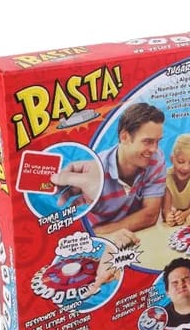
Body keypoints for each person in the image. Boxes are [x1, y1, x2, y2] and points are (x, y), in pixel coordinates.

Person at [51, 103, 166, 245]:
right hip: (99, 245)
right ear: (124, 137)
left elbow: (150, 215)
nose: (154, 149)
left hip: (137, 238)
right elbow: (68, 232)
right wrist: (100, 235)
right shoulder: (95, 171)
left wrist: (102, 231)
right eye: (147, 141)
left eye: (157, 141)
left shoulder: (156, 159)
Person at [162, 133, 190, 226]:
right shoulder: (166, 177)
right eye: (180, 162)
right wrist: (169, 217)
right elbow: (166, 209)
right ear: (172, 159)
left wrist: (184, 215)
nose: (186, 168)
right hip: (180, 216)